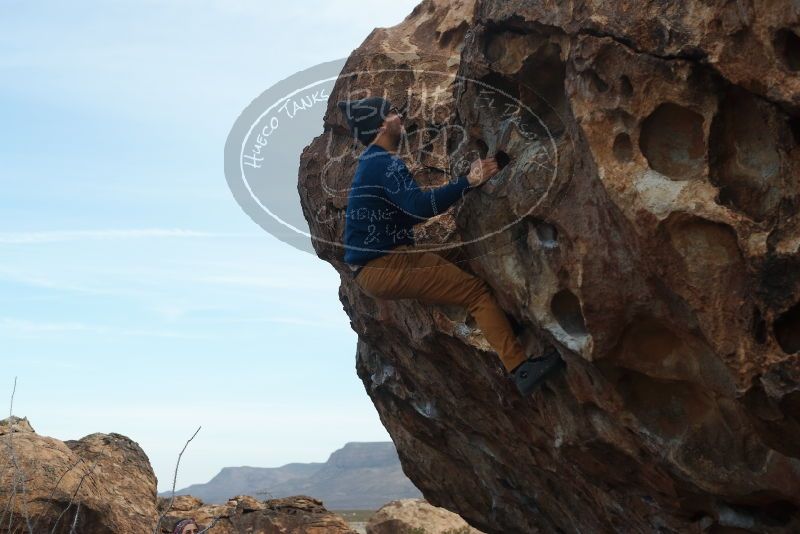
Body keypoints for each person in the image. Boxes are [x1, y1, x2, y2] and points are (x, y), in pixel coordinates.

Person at [337, 96, 563, 396]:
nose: (400, 116)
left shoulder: (372, 163)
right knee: (475, 293)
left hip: (378, 267)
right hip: (385, 264)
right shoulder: (384, 163)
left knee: (464, 256)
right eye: (392, 113)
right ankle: (520, 368)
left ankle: (505, 324)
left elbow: (403, 213)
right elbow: (418, 207)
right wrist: (467, 181)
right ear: (380, 125)